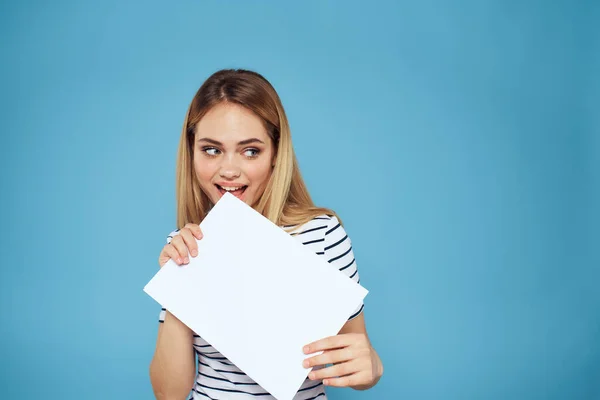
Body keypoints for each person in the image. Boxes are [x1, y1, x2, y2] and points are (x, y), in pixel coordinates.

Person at [149, 69, 383, 400]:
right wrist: (177, 289)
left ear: (275, 154)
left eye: (250, 151)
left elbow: (358, 367)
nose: (229, 170)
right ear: (192, 152)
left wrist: (371, 364)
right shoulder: (187, 244)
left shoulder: (322, 234)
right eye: (212, 150)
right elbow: (168, 394)